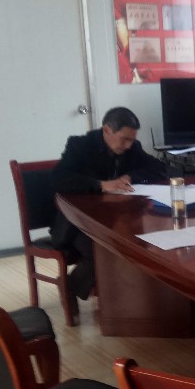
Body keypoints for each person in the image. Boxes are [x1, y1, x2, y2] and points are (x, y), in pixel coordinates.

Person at [50, 106, 168, 300]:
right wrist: (100, 185)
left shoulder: (133, 148)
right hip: (78, 223)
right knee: (104, 249)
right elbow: (58, 179)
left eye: (132, 140)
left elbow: (161, 168)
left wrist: (131, 176)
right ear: (107, 130)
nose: (128, 146)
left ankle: (131, 298)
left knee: (144, 244)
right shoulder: (80, 146)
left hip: (118, 219)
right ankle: (70, 287)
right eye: (124, 139)